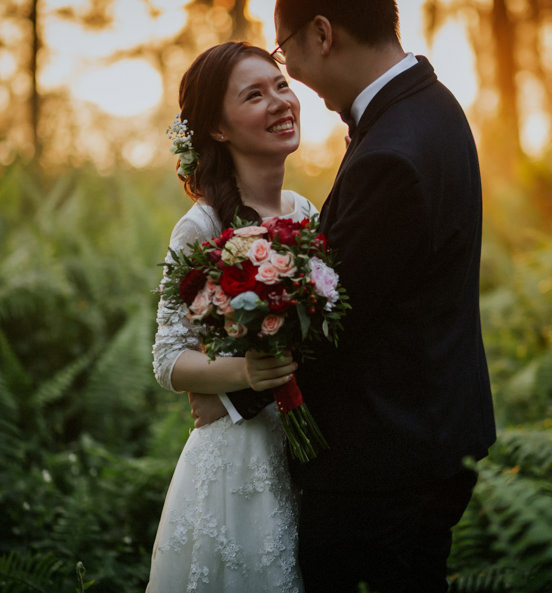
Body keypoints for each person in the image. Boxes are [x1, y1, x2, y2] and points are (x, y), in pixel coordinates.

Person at [269, 1, 497, 591]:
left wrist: (235, 380)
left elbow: (332, 321)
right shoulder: (432, 107)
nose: (289, 70)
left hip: (381, 464)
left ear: (321, 33)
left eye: (282, 50)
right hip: (426, 437)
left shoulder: (392, 152)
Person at [147, 41, 317, 593]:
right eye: (254, 95)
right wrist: (243, 376)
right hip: (237, 464)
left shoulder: (307, 213)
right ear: (217, 129)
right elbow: (168, 358)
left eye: (281, 86)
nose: (279, 102)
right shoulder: (199, 228)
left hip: (312, 455)